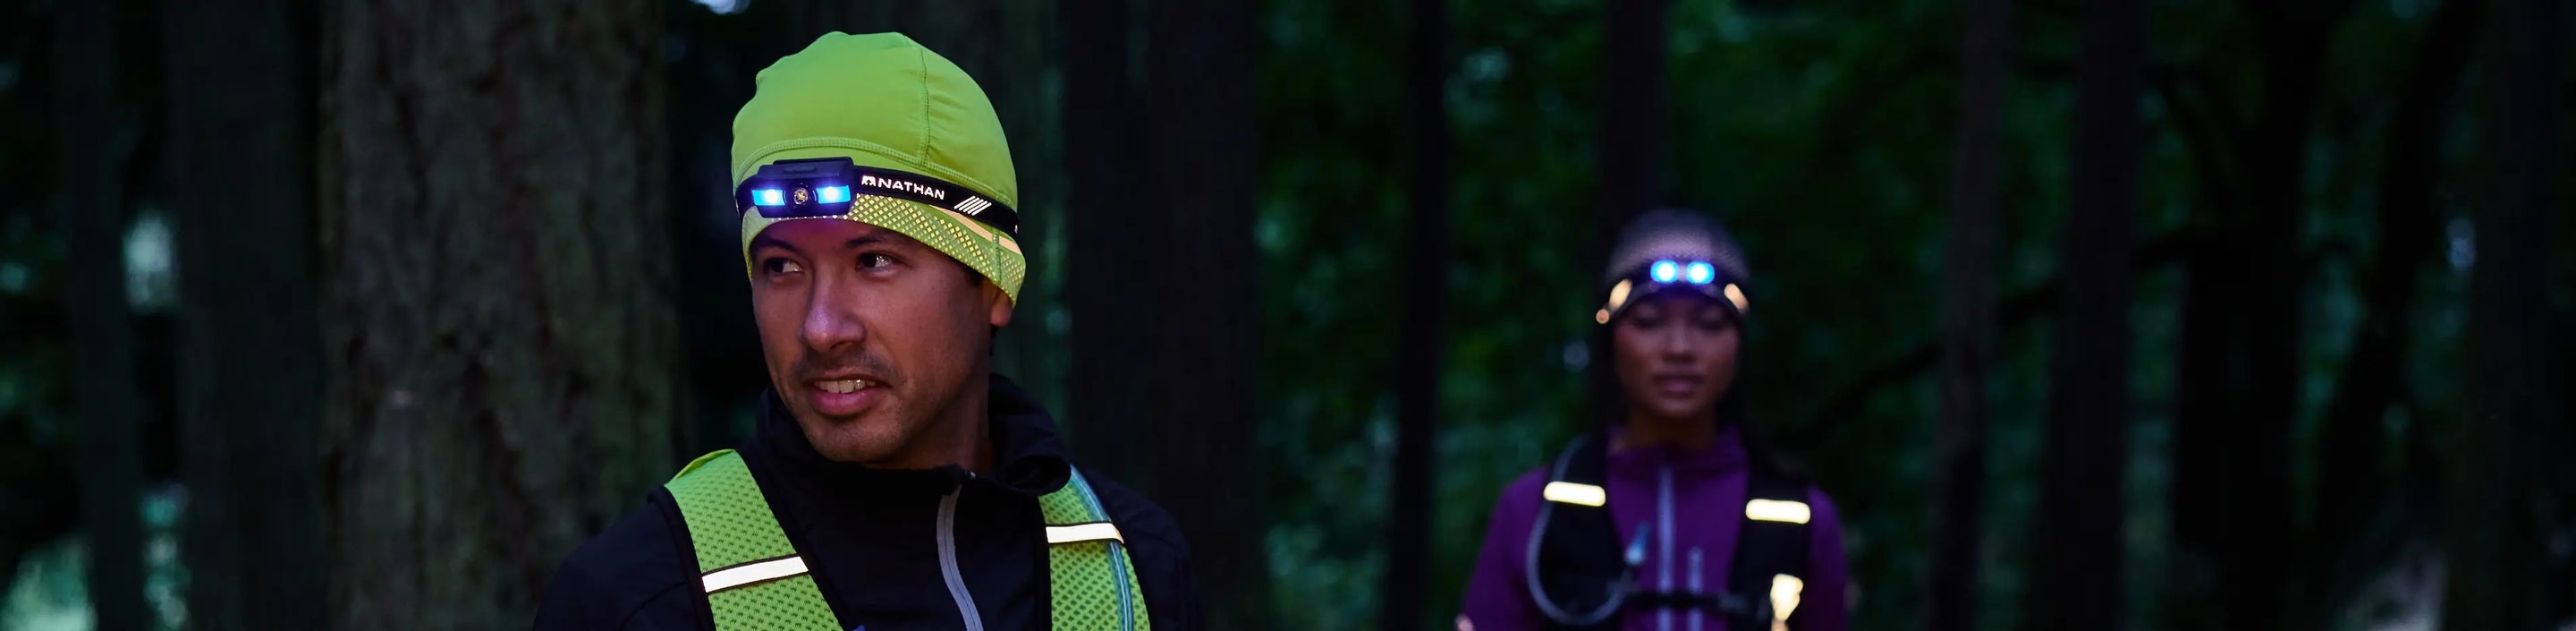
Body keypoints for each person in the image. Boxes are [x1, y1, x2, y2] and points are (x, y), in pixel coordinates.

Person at [534, 32, 1201, 631]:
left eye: (874, 261)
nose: (821, 328)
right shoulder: (635, 597)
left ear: (995, 282)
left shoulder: (1135, 569)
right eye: (782, 266)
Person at [1459, 209, 1849, 631]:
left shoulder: (1803, 518)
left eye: (1710, 324)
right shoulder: (1535, 510)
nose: (1679, 348)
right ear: (1612, 338)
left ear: (1739, 343)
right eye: (1649, 322)